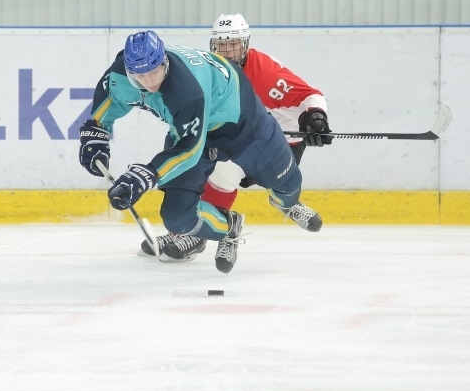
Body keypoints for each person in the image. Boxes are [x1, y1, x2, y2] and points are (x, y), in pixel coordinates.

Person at [78, 30, 322, 274]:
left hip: (243, 121)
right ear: (128, 70)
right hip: (193, 128)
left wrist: (148, 174)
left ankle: (287, 204)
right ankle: (228, 226)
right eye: (140, 75)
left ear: (164, 62)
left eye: (154, 71)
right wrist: (97, 136)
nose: (149, 81)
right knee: (177, 217)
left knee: (287, 185)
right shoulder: (119, 75)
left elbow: (189, 150)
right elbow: (106, 108)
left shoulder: (185, 89)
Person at [138, 13, 333, 260]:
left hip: (279, 143)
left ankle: (288, 204)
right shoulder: (207, 69)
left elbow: (310, 96)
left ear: (246, 43)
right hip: (238, 139)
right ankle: (190, 235)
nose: (227, 52)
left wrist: (315, 118)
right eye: (221, 45)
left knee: (282, 186)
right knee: (218, 176)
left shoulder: (265, 72)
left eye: (233, 44)